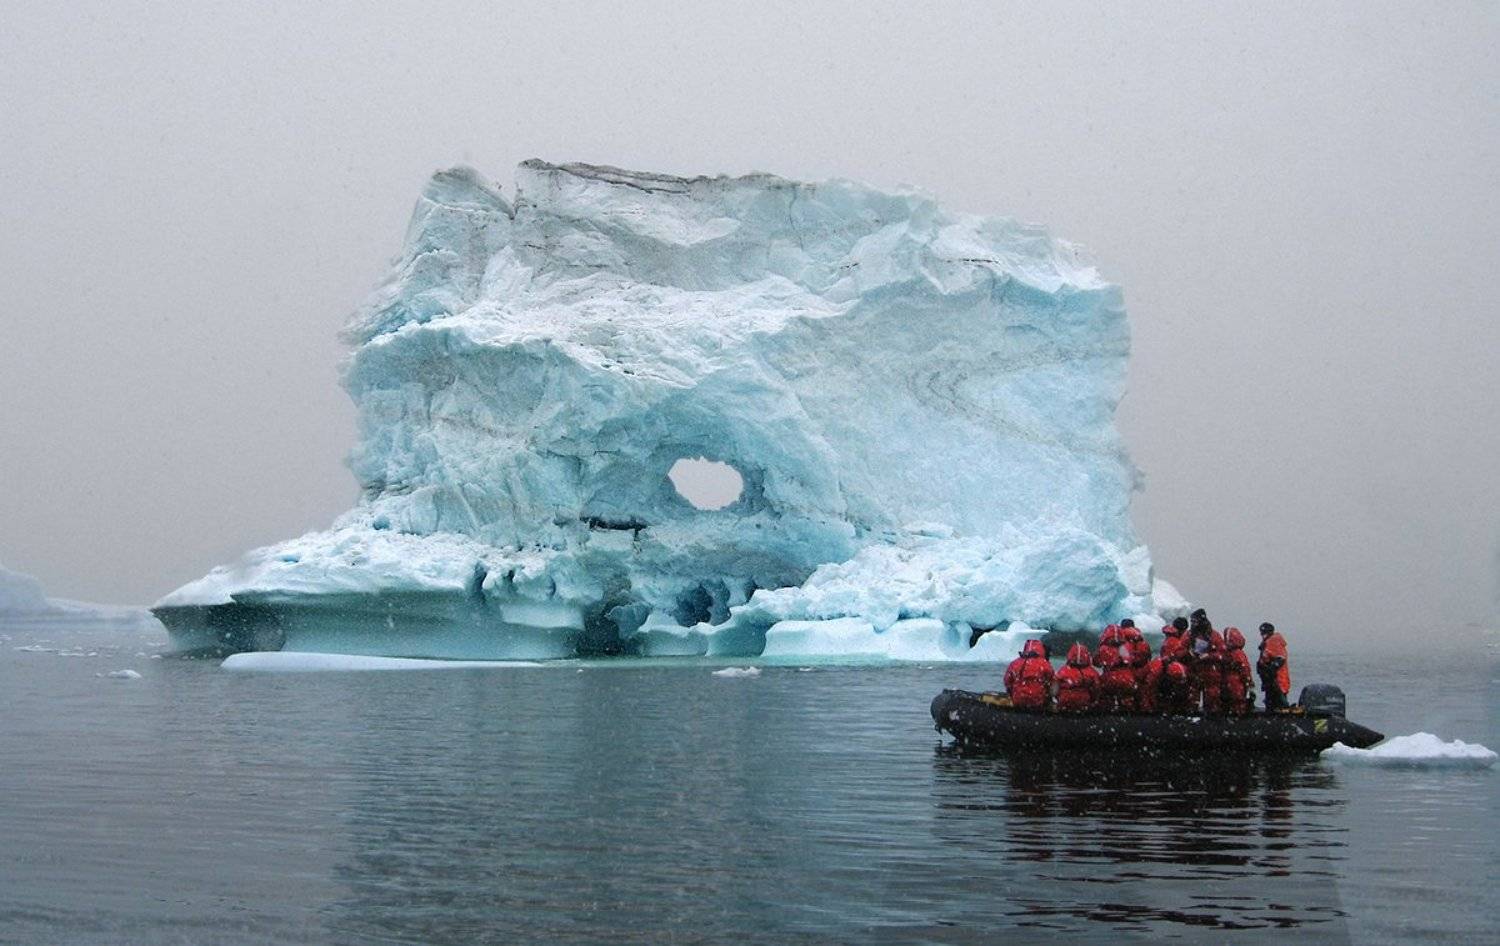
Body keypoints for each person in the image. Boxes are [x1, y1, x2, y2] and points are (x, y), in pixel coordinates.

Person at [1185, 608, 1226, 714]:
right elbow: (1179, 650)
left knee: (1212, 698)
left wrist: (1209, 656)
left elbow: (1222, 654)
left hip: (1210, 672)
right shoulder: (1189, 635)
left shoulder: (1214, 636)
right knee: (1192, 698)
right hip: (1194, 671)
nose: (1193, 624)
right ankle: (1192, 716)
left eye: (1195, 621)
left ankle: (1211, 719)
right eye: (1192, 621)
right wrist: (1188, 653)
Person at [1093, 624, 1137, 712]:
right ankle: (1128, 714)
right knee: (1127, 697)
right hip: (1127, 677)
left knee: (1106, 696)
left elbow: (1096, 663)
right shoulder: (1128, 646)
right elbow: (1133, 660)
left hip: (1110, 677)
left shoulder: (1104, 648)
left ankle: (1108, 713)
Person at [1004, 639, 1054, 711]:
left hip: (1018, 701)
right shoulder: (1045, 664)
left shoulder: (1014, 663)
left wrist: (1013, 691)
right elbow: (1052, 684)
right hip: (1038, 702)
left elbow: (1007, 681)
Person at [1054, 643, 1100, 712]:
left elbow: (1054, 689)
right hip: (1084, 704)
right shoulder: (1092, 673)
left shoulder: (1063, 671)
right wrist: (1093, 701)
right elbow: (1097, 689)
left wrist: (1060, 698)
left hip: (1064, 703)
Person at [1220, 627, 1255, 715]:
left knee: (1233, 702)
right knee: (1237, 702)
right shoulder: (1238, 653)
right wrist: (1249, 681)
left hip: (1232, 681)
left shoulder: (1229, 653)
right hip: (1236, 682)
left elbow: (1244, 669)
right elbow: (1245, 669)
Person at [1257, 622, 1291, 710]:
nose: (1261, 635)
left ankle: (1279, 718)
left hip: (1277, 682)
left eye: (1263, 632)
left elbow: (1281, 658)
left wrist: (1270, 669)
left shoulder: (1273, 642)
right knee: (1273, 703)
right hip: (1272, 681)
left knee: (1277, 704)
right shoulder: (1269, 642)